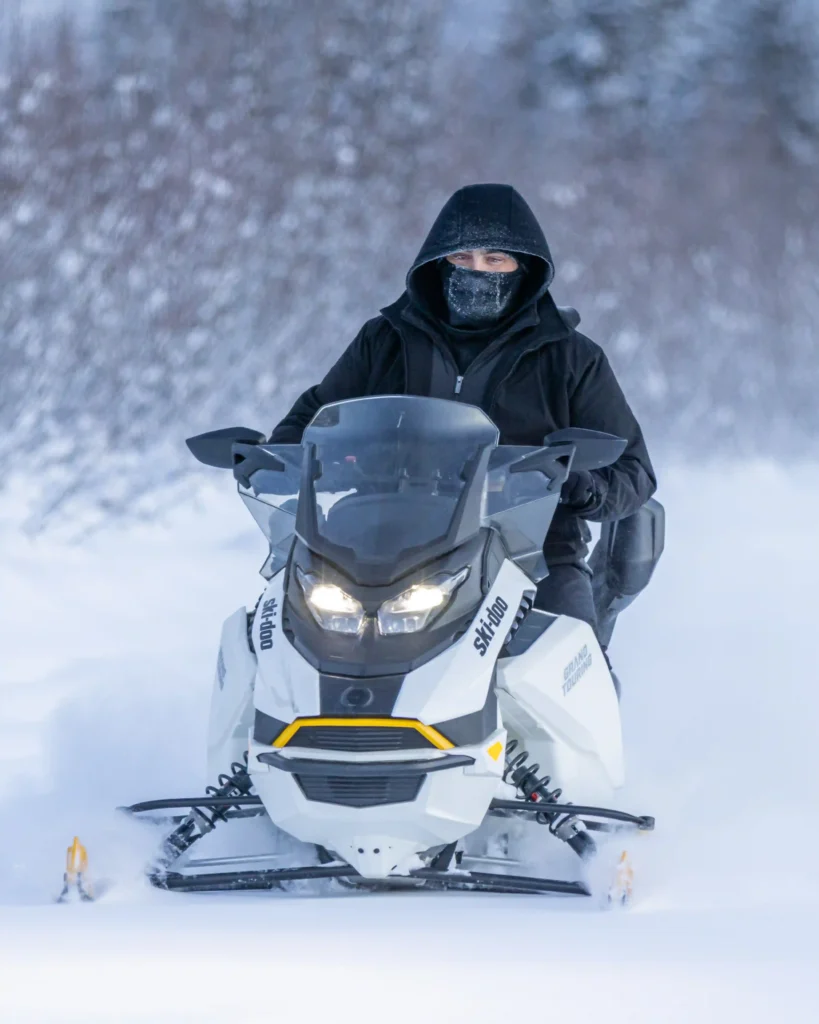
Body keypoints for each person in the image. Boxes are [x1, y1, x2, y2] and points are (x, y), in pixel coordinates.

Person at [268, 183, 656, 636]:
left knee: (574, 655)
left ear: (524, 269)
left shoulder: (571, 357)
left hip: (534, 553)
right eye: (462, 258)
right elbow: (312, 418)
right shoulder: (384, 340)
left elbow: (634, 469)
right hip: (378, 546)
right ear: (437, 264)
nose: (477, 271)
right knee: (278, 635)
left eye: (495, 260)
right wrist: (279, 460)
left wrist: (580, 484)